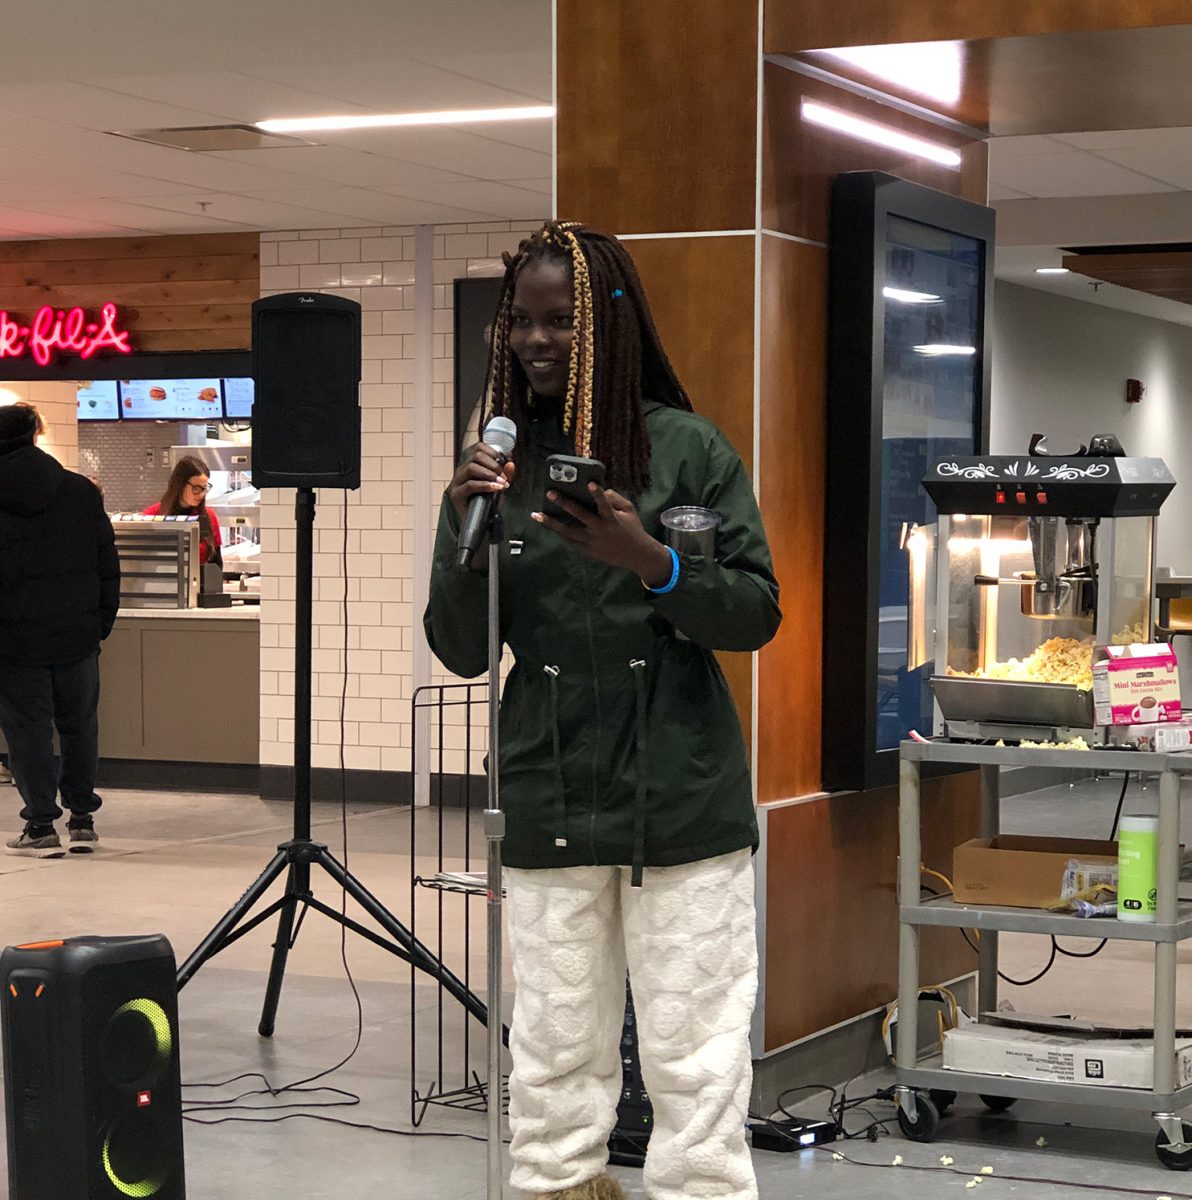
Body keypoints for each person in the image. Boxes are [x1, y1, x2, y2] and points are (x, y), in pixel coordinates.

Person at [425, 222, 781, 1200]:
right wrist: (467, 528)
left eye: (560, 322)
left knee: (692, 1054)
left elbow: (754, 613)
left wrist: (653, 563)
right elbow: (459, 649)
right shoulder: (493, 476)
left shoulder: (685, 450)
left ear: (608, 329)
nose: (535, 342)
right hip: (550, 790)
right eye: (521, 323)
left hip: (681, 793)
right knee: (552, 1048)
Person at [0, 402, 119, 856]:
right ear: (35, 435)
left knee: (27, 731)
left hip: (13, 641)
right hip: (77, 635)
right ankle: (82, 820)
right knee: (79, 726)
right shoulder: (80, 492)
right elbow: (107, 562)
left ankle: (41, 826)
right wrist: (100, 622)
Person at [144, 455, 222, 565]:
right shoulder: (152, 516)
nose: (201, 494)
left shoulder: (209, 516)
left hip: (200, 580)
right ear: (180, 485)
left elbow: (216, 564)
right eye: (196, 488)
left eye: (205, 488)